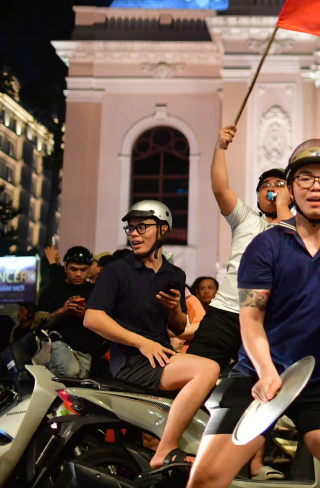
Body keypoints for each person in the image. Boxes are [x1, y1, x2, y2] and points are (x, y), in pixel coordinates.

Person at [186, 139, 320, 488]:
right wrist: (266, 371)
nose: (316, 186)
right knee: (205, 478)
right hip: (258, 375)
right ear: (291, 190)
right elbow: (250, 317)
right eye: (305, 178)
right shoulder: (266, 244)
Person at [85, 200, 220, 468]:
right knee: (208, 370)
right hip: (131, 361)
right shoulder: (117, 270)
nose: (134, 234)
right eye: (131, 228)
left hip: (162, 356)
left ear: (163, 230)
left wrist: (174, 310)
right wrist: (142, 342)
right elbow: (92, 318)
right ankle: (166, 448)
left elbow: (179, 328)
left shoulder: (175, 274)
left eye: (142, 227)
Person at [188, 125, 291, 375]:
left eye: (280, 184)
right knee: (194, 370)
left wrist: (284, 206)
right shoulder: (246, 219)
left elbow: (290, 244)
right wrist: (220, 148)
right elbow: (220, 189)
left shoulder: (300, 229)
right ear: (257, 195)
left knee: (259, 383)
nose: (272, 188)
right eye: (266, 184)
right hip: (226, 312)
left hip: (267, 320)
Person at [37, 246, 106, 377]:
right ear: (65, 267)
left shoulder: (96, 291)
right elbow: (38, 324)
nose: (78, 274)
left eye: (83, 270)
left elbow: (106, 320)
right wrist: (62, 310)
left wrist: (85, 315)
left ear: (89, 269)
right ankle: (40, 381)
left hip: (86, 349)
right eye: (73, 269)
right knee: (69, 371)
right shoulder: (52, 290)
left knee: (78, 381)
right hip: (59, 343)